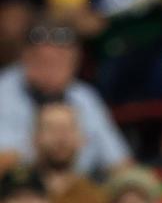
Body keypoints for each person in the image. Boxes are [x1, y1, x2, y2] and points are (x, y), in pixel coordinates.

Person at [0, 18, 131, 178]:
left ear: (75, 62)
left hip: (76, 189)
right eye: (43, 61)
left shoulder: (84, 96)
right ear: (25, 57)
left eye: (60, 61)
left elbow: (120, 162)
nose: (51, 71)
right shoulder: (5, 91)